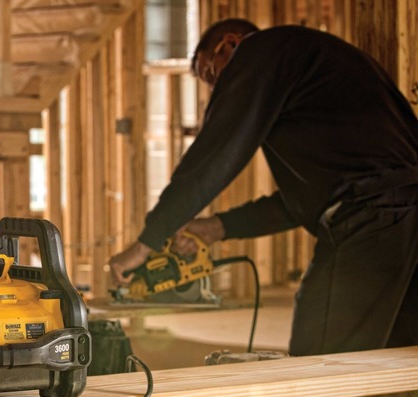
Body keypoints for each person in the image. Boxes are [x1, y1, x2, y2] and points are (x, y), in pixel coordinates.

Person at [108, 18, 418, 357]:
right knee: (398, 357)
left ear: (229, 45)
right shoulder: (313, 72)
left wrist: (146, 243)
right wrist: (217, 228)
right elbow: (303, 201)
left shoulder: (260, 51)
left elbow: (215, 153)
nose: (217, 90)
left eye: (211, 75)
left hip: (373, 217)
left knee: (321, 355)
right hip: (401, 216)